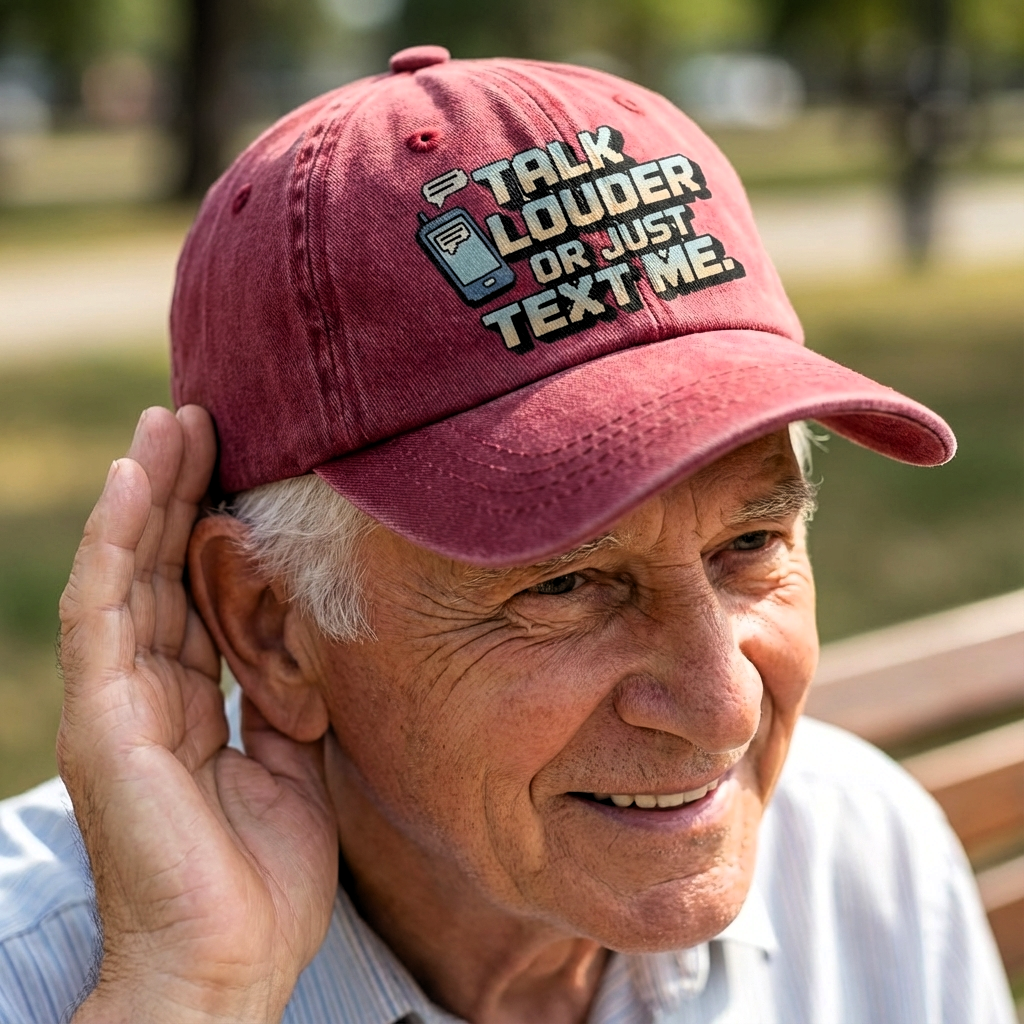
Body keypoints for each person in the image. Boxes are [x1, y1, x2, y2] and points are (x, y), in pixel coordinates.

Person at [0, 47, 1014, 1024]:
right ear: (272, 626)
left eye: (750, 546)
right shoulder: (40, 976)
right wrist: (192, 994)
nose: (724, 709)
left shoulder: (863, 854)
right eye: (566, 584)